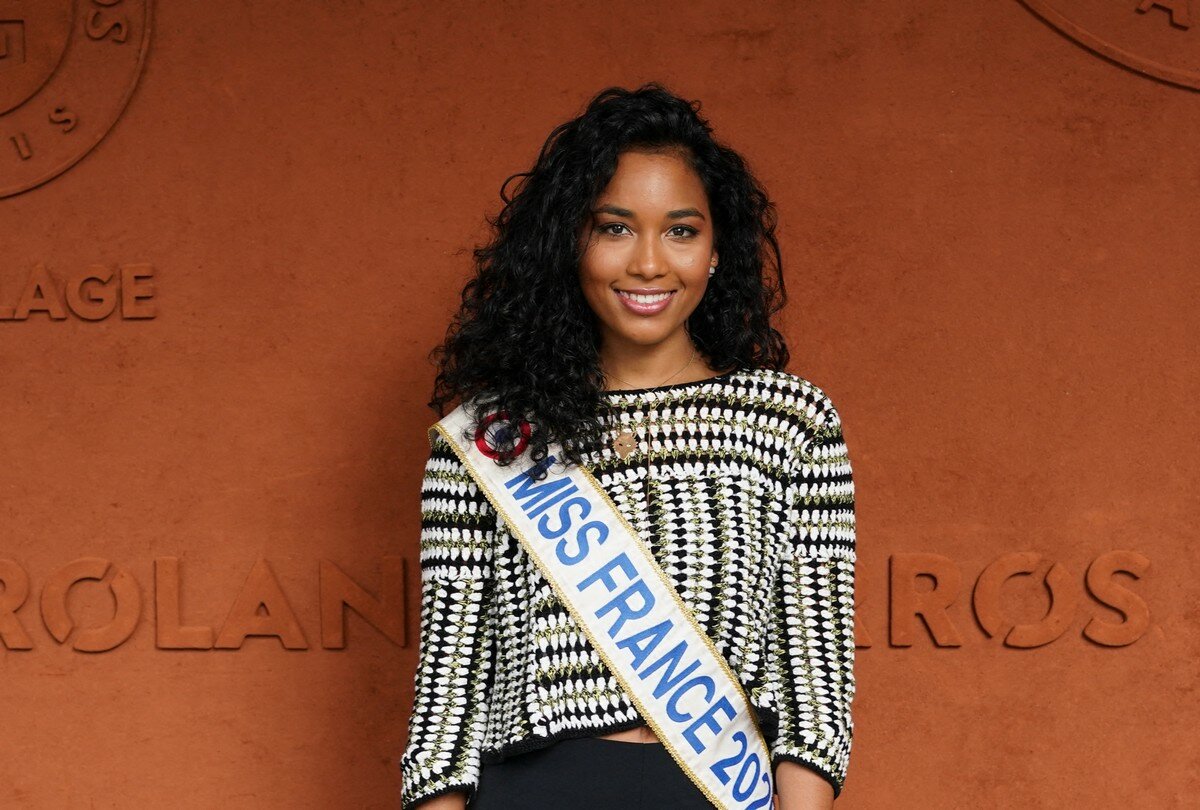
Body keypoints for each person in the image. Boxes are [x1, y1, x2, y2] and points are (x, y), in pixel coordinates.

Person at [399, 83, 856, 810]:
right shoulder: (492, 438)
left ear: (716, 250)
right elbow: (444, 713)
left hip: (718, 792)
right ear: (569, 244)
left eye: (681, 231)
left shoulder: (788, 424)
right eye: (615, 228)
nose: (648, 263)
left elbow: (815, 694)